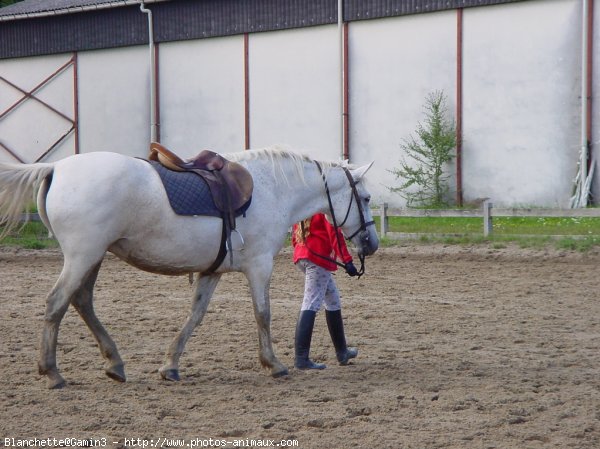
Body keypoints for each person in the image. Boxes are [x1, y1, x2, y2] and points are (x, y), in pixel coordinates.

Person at [292, 213, 359, 370]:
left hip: (303, 255)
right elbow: (334, 234)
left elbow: (295, 234)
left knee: (333, 299)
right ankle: (301, 358)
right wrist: (347, 260)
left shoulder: (307, 205)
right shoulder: (324, 209)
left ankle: (342, 352)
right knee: (311, 302)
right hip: (317, 257)